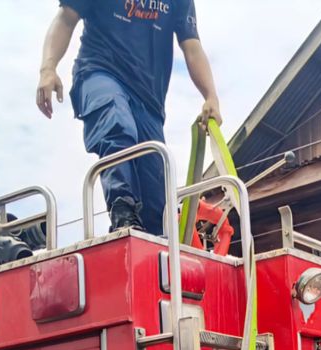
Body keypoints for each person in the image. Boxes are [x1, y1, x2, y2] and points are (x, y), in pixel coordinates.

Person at [37, 1, 221, 235]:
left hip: (148, 100)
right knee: (117, 123)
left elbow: (192, 46)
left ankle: (154, 243)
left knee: (156, 197)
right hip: (98, 72)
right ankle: (122, 209)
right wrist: (48, 69)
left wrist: (211, 96)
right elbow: (65, 18)